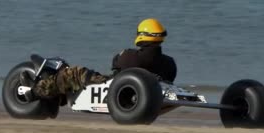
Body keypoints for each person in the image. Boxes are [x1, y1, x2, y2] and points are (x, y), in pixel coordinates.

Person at [23, 18, 177, 101]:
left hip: (114, 88)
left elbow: (116, 63)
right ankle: (60, 95)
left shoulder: (132, 56)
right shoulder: (170, 63)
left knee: (73, 73)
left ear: (142, 35)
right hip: (144, 95)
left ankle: (35, 92)